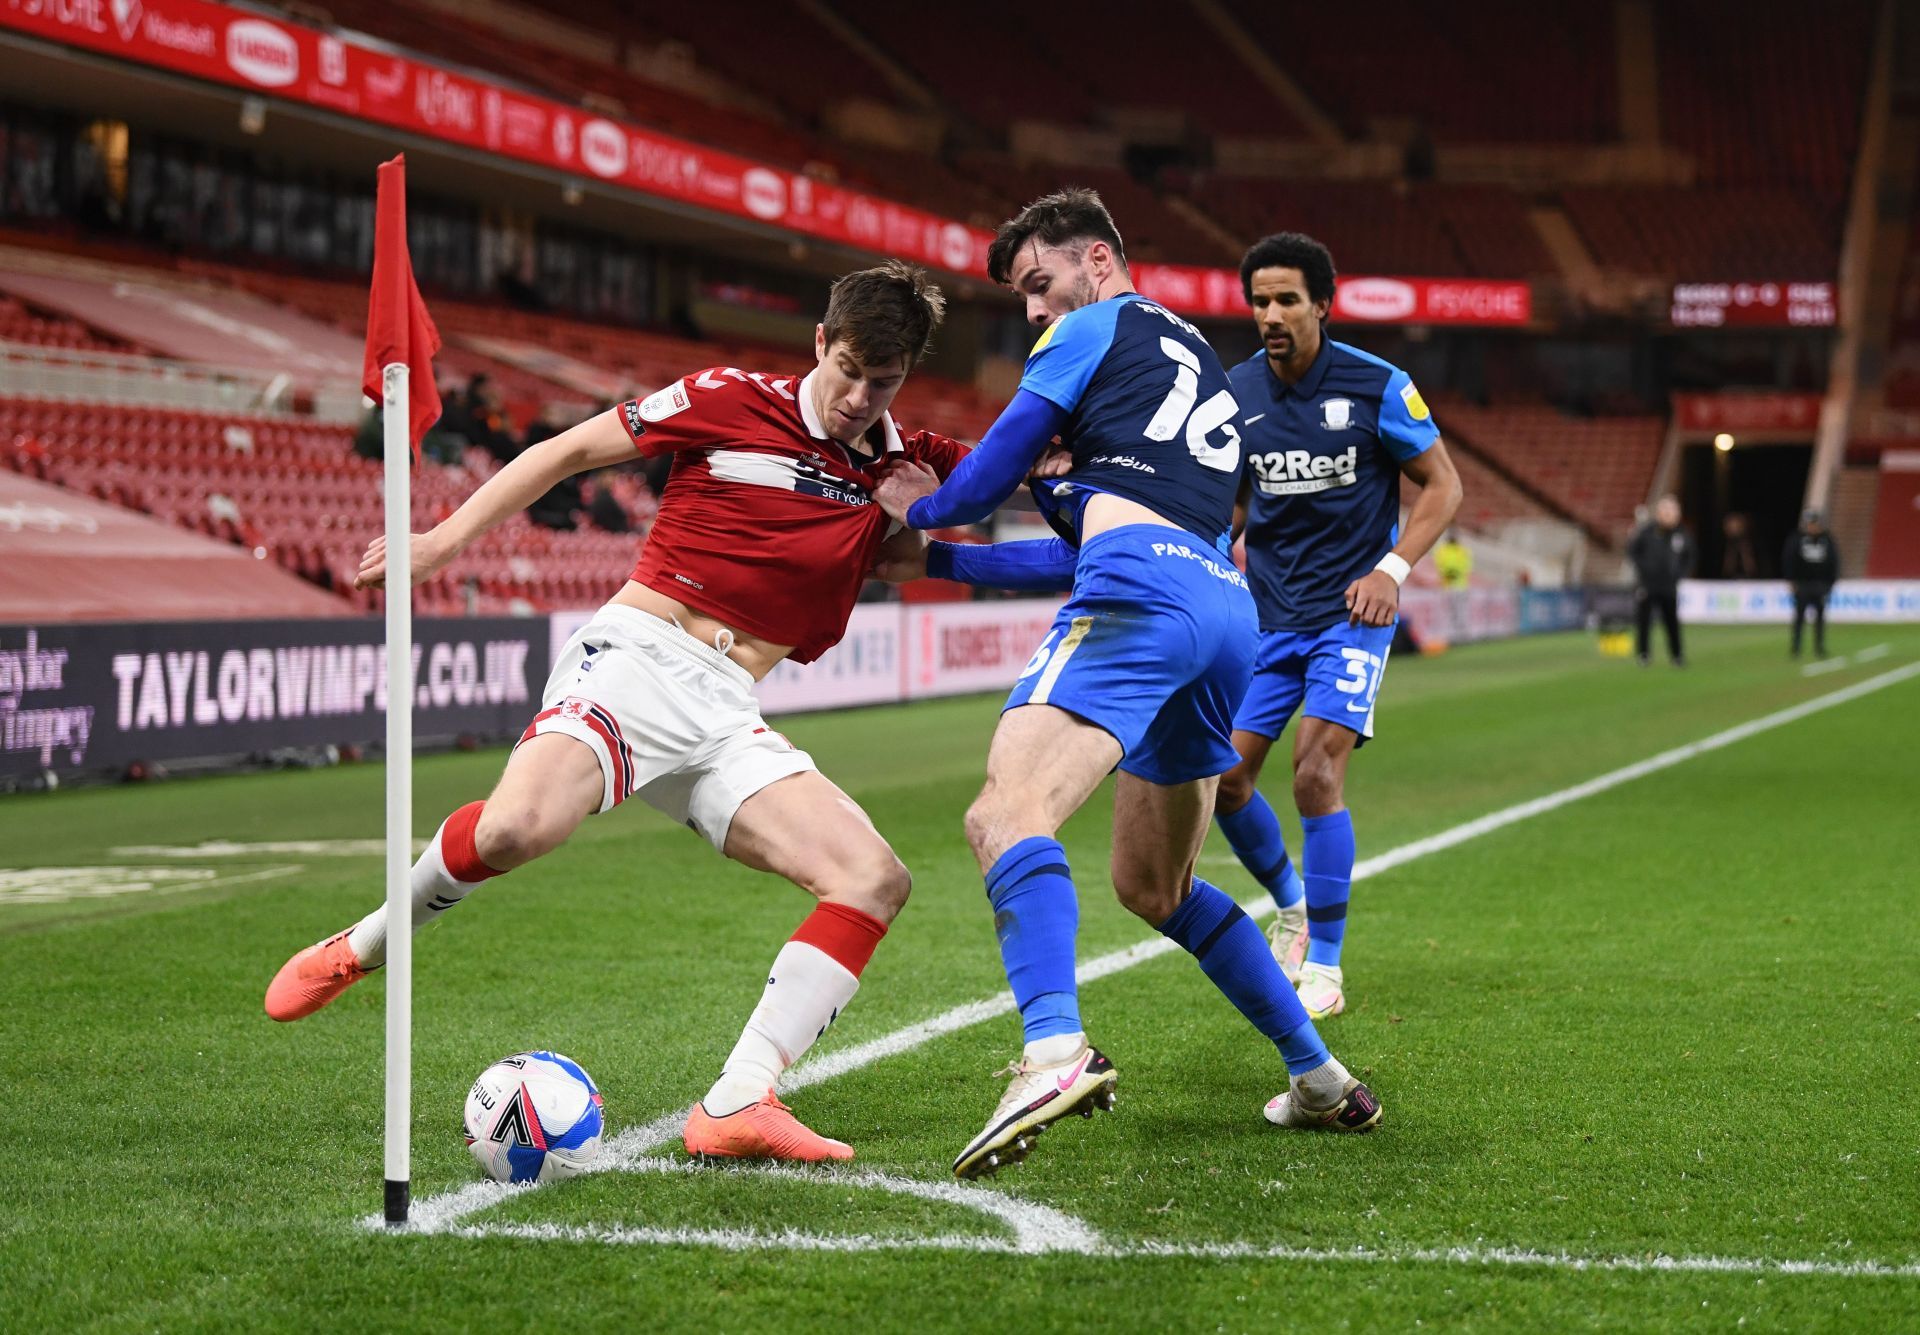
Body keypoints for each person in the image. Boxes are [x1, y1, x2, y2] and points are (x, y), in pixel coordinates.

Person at [264, 262, 969, 1164]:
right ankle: (362, 945)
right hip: (641, 658)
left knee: (874, 878)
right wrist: (439, 541)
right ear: (821, 344)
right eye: (852, 371)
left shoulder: (901, 457)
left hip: (728, 708)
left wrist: (918, 516)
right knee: (518, 828)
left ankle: (736, 1101)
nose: (862, 397)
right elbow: (565, 452)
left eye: (887, 380)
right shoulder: (726, 398)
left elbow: (973, 515)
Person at [874, 189, 1380, 1183]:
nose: (1032, 312)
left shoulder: (1091, 328)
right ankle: (1317, 1074)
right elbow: (1101, 535)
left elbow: (982, 486)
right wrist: (936, 569)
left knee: (1005, 814)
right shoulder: (1194, 370)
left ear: (1096, 262)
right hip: (1221, 610)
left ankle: (1054, 1054)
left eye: (1038, 284)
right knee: (1156, 887)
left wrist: (912, 519)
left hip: (1143, 599)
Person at [1206, 233, 1462, 1022]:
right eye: (1259, 301)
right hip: (1266, 616)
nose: (1271, 315)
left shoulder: (1380, 385)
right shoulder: (1235, 392)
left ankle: (1324, 966)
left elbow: (1442, 486)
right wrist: (1212, 548)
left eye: (1287, 299)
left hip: (1351, 617)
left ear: (1323, 302)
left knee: (1316, 774)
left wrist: (1391, 570)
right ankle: (1292, 902)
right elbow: (1238, 501)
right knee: (1223, 780)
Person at [1627, 494, 1692, 666]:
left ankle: (1677, 655)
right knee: (1644, 621)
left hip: (1669, 585)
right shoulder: (1646, 532)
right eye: (1666, 510)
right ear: (1658, 512)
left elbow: (1690, 557)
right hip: (1647, 584)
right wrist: (1643, 569)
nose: (1669, 514)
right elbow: (1633, 552)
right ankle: (1643, 655)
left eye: (1672, 511)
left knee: (1671, 621)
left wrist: (1680, 573)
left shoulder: (1682, 534)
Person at [1783, 509, 1838, 658]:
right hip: (1802, 585)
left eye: (1814, 523)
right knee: (1799, 617)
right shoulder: (1797, 539)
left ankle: (1819, 647)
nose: (1812, 527)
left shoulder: (1827, 539)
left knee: (1820, 618)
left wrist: (1830, 583)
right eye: (1810, 524)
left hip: (1820, 585)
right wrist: (1791, 581)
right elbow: (1789, 560)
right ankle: (1796, 648)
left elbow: (1834, 561)